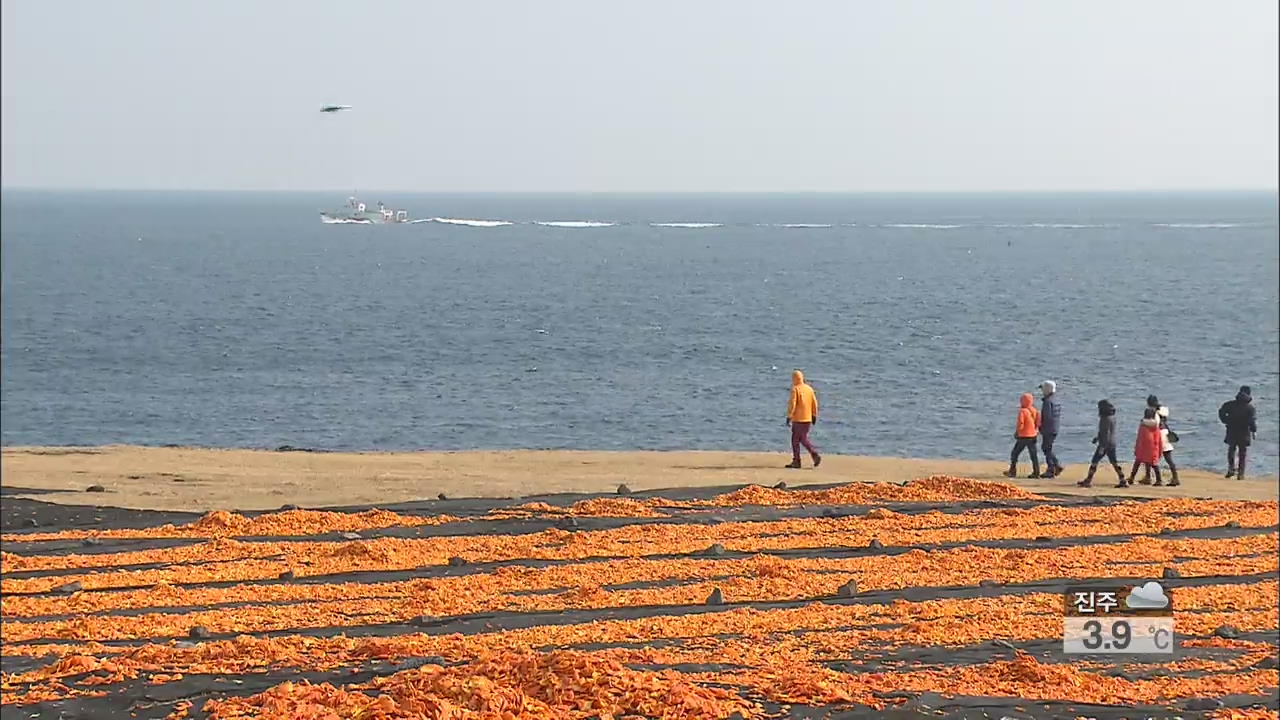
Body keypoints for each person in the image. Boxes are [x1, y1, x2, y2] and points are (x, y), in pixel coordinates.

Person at [1079, 399, 1123, 487]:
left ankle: (1088, 480)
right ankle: (1122, 479)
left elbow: (1105, 433)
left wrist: (1102, 447)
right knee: (1114, 462)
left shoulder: (1105, 419)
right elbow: (1107, 432)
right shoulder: (1112, 417)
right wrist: (1097, 438)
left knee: (1094, 461)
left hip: (1105, 444)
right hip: (1112, 443)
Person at [1218, 385, 1257, 479]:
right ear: (1249, 394)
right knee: (1242, 452)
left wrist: (1226, 420)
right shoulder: (1250, 408)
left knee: (1231, 449)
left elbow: (1221, 412)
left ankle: (1231, 470)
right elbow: (1252, 421)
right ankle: (1241, 473)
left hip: (1232, 429)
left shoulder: (1230, 404)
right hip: (1244, 431)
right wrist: (1254, 431)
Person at [785, 369, 821, 469]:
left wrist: (789, 416)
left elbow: (793, 404)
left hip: (798, 419)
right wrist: (814, 415)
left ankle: (799, 460)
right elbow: (814, 403)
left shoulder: (795, 389)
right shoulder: (809, 389)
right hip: (808, 418)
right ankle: (811, 456)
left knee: (796, 440)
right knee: (803, 438)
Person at [1142, 395, 1180, 486]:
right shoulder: (1163, 411)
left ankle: (1150, 478)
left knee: (1150, 457)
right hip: (1165, 433)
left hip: (1157, 434)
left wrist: (1143, 422)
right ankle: (1175, 478)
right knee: (1168, 458)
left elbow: (1153, 424)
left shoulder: (1151, 411)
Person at [1123, 407, 1164, 488]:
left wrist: (1136, 448)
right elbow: (1159, 439)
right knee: (1154, 464)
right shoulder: (1156, 426)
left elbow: (1140, 438)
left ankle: (1132, 478)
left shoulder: (1143, 425)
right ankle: (1159, 480)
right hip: (1153, 448)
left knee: (1137, 463)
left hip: (1143, 448)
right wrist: (1160, 449)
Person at [1004, 393, 1042, 479]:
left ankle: (1012, 471)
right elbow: (1038, 423)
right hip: (1033, 435)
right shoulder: (1034, 410)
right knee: (1033, 455)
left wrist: (1017, 432)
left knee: (1015, 453)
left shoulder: (1022, 411)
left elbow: (1021, 423)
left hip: (1024, 436)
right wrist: (1034, 430)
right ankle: (1036, 472)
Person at [1038, 380, 1063, 477]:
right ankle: (1056, 465)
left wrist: (1041, 427)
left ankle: (1051, 469)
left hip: (1048, 428)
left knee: (1046, 448)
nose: (1042, 391)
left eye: (1043, 389)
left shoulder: (1047, 402)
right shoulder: (1056, 400)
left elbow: (1047, 417)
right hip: (1055, 427)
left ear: (1047, 390)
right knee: (1047, 447)